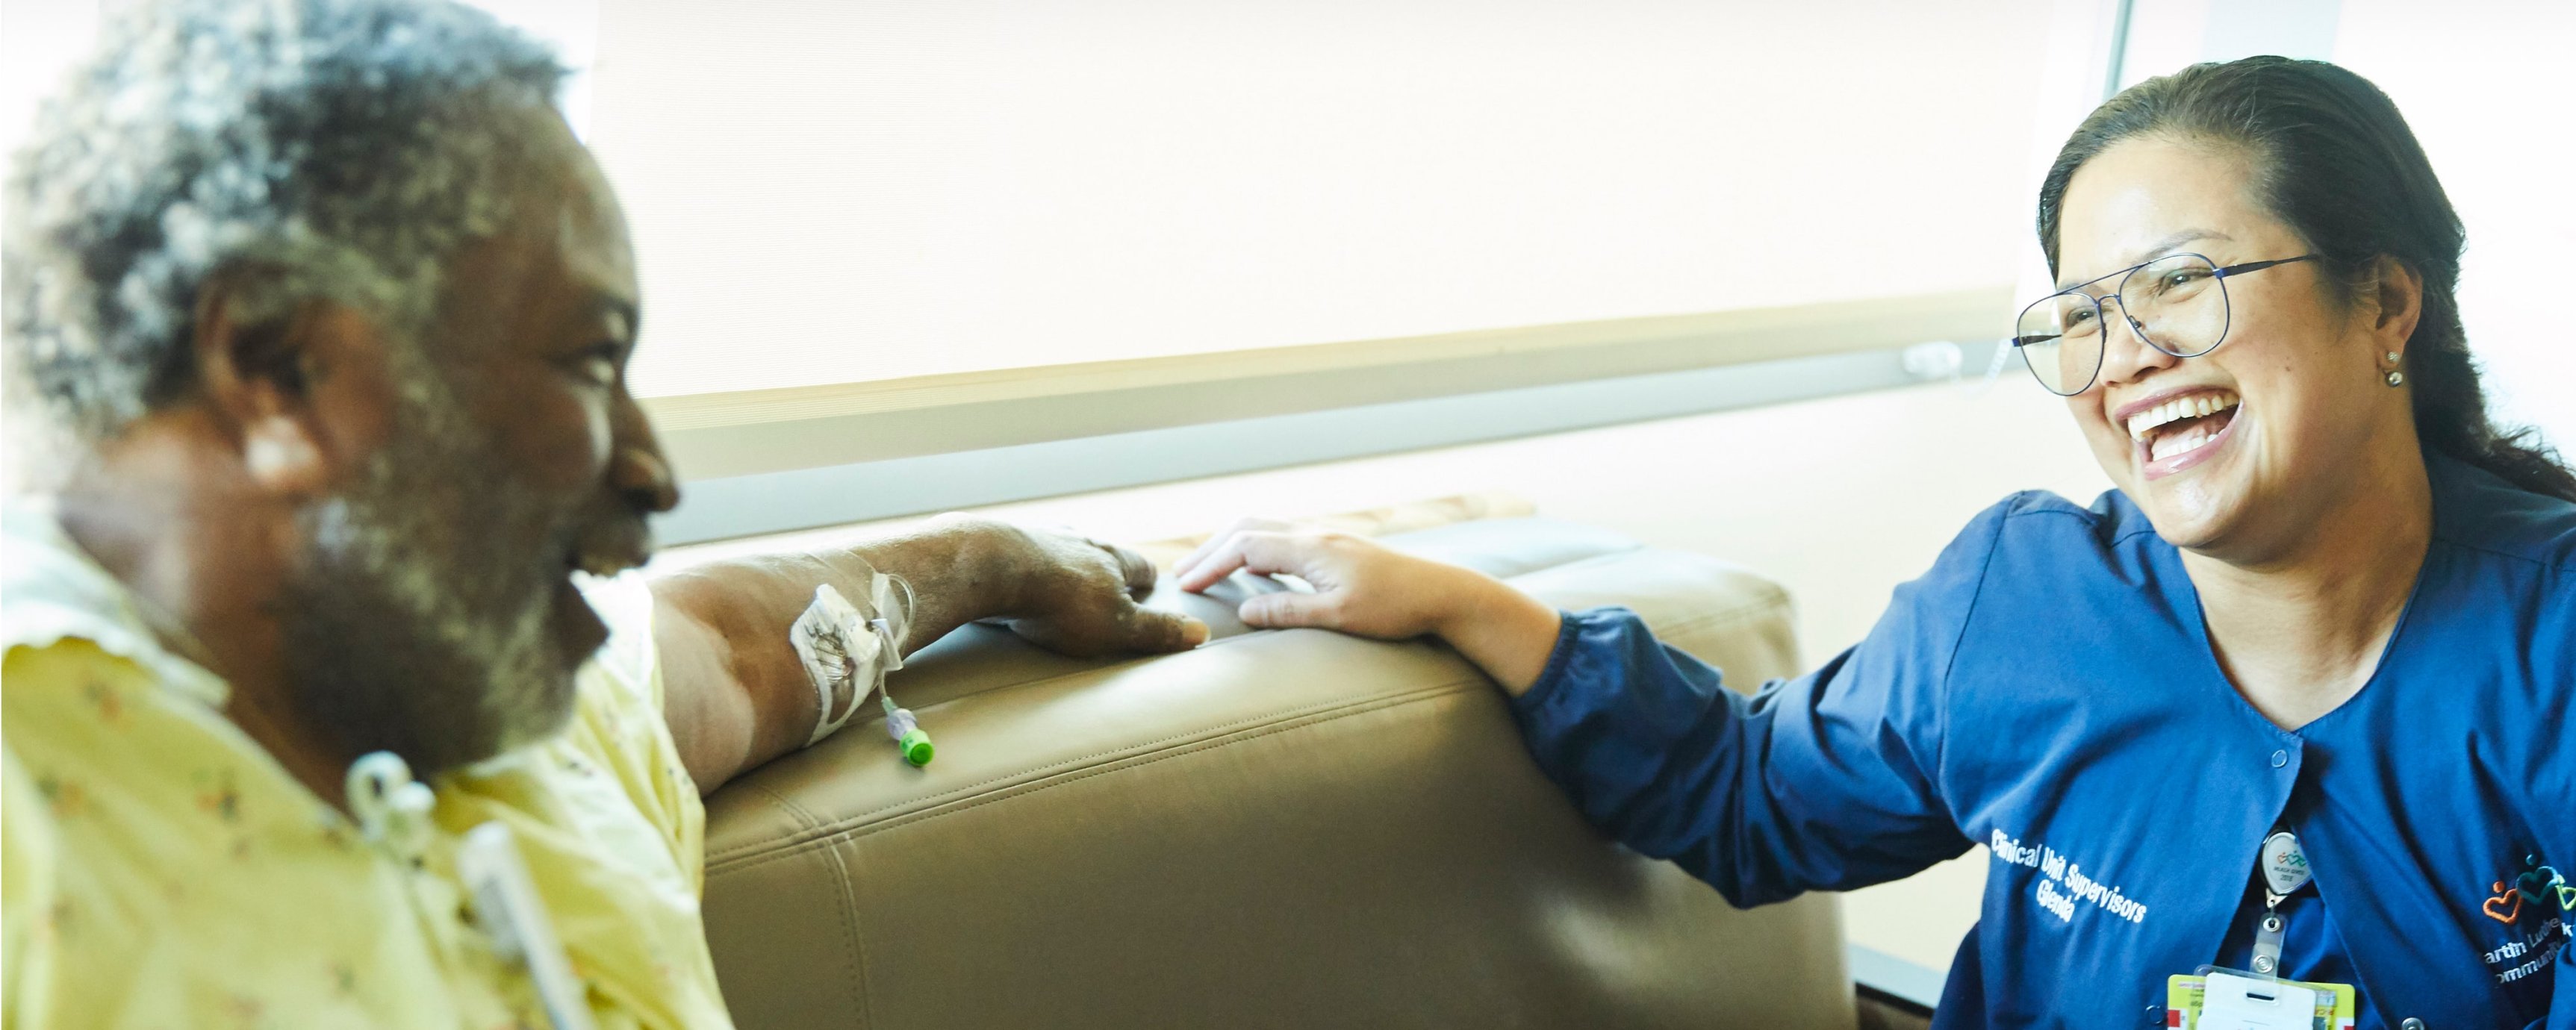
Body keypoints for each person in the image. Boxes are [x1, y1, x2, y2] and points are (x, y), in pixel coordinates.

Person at [1177, 57, 2575, 1029]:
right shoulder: (2021, 602)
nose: (2124, 357)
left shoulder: (2553, 642)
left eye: (2180, 283)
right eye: (2079, 314)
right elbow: (1750, 799)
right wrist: (1458, 602)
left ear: (2383, 301)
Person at [0, 1, 1204, 1026]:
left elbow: (736, 652)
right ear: (276, 367)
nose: (652, 470)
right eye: (586, 360)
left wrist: (1001, 564)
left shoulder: (491, 694)